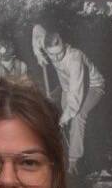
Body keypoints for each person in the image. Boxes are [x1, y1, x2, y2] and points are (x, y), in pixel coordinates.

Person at [38, 29, 105, 172]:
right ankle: (61, 151)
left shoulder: (75, 59)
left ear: (63, 45)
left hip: (92, 86)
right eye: (51, 54)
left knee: (77, 116)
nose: (55, 58)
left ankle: (74, 160)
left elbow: (75, 98)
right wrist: (38, 53)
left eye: (59, 53)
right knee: (59, 112)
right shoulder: (45, 43)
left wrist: (63, 119)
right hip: (67, 88)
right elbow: (36, 30)